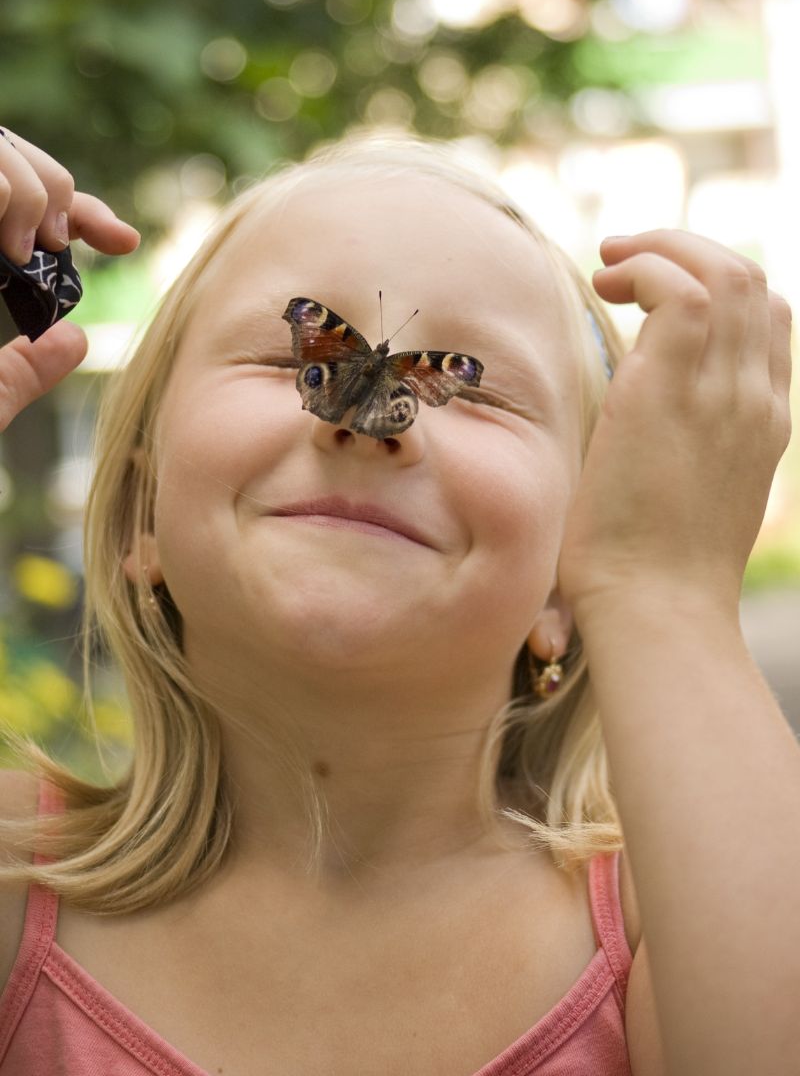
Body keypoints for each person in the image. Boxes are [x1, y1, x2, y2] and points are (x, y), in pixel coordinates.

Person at [0, 124, 797, 1076]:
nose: (362, 427)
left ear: (568, 588)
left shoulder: (675, 926)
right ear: (144, 513)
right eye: (290, 361)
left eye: (481, 389)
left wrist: (665, 595)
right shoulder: (15, 876)